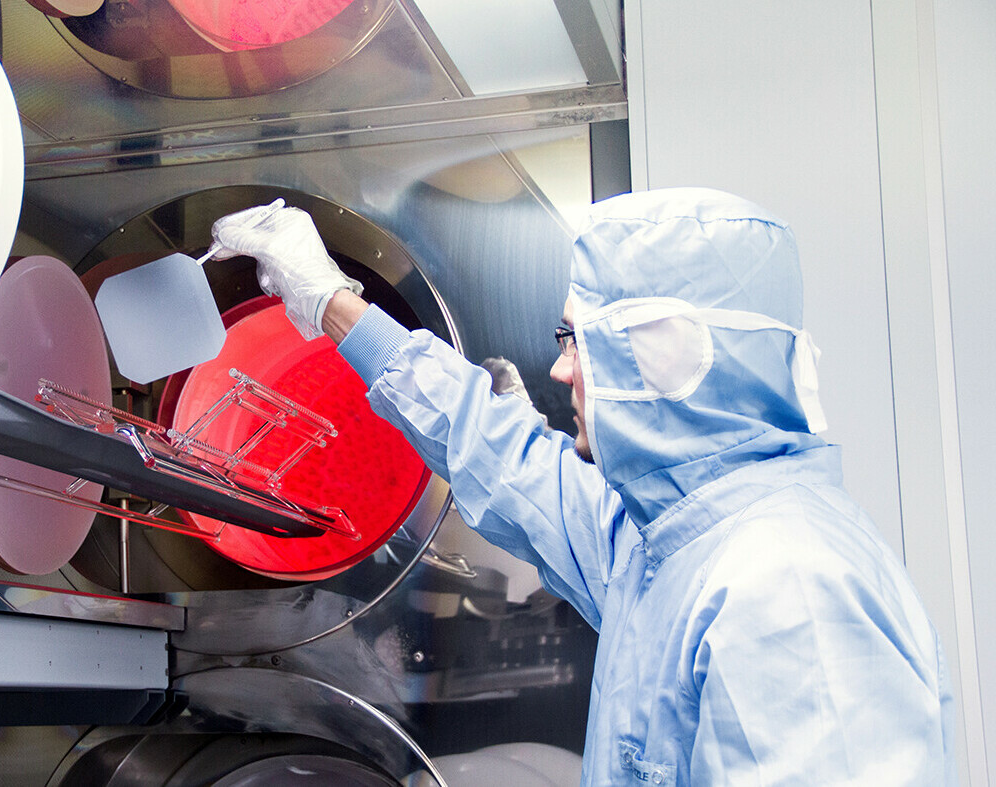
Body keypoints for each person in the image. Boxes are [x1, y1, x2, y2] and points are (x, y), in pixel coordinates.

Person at [208, 188, 955, 785]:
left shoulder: (785, 587)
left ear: (663, 353)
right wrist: (327, 300)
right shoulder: (670, 542)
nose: (560, 369)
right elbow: (508, 461)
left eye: (577, 340)